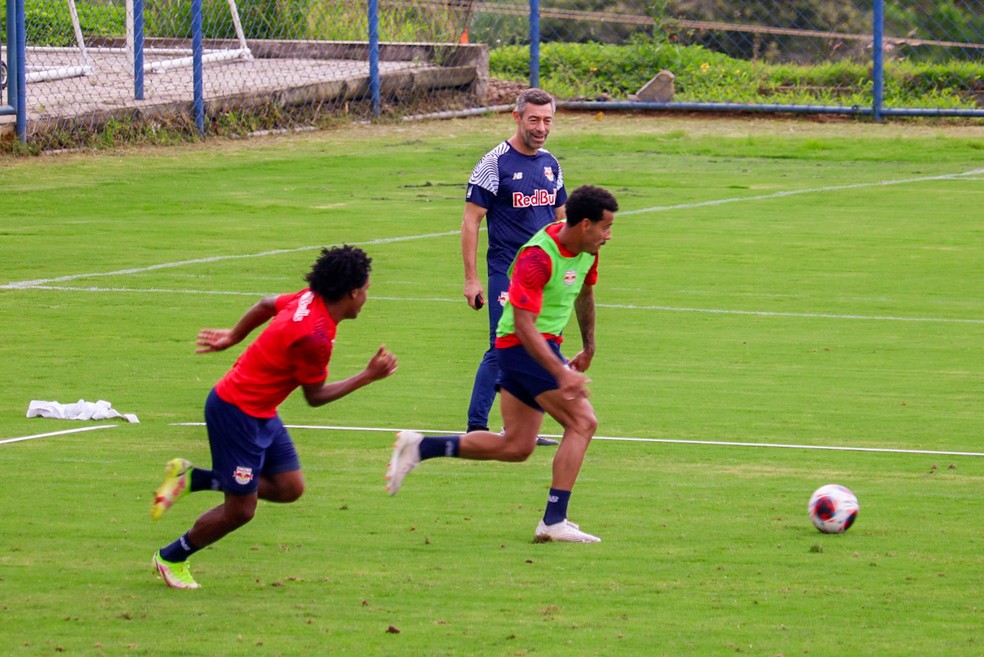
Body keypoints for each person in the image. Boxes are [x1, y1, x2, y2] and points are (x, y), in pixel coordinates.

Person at [150, 245, 398, 589]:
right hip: (236, 412)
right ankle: (171, 557)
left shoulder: (310, 300)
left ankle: (193, 479)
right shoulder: (315, 338)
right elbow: (315, 397)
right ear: (353, 292)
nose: (367, 297)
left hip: (260, 410)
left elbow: (268, 303)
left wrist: (234, 336)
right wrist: (367, 376)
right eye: (367, 290)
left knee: (289, 487)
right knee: (241, 510)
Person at [387, 185, 618, 543]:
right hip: (522, 347)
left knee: (517, 446)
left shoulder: (587, 250)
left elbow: (585, 294)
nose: (609, 235)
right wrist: (560, 373)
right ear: (586, 224)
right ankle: (554, 520)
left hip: (542, 345)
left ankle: (420, 447)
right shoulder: (537, 257)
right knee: (583, 422)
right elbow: (523, 325)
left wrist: (588, 346)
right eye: (606, 227)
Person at [462, 87, 567, 446]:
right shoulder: (494, 164)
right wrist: (472, 279)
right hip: (506, 273)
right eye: (534, 119)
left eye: (547, 120)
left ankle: (520, 429)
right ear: (517, 117)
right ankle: (477, 427)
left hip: (544, 277)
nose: (541, 127)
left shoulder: (551, 165)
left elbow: (559, 221)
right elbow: (471, 221)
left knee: (537, 346)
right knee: (500, 346)